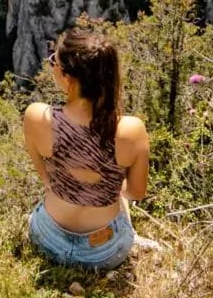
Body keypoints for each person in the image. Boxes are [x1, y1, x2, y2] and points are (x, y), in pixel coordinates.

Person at [23, 28, 149, 270]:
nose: (51, 66)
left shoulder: (37, 116)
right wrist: (104, 182)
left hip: (47, 240)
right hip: (103, 254)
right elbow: (136, 192)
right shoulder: (132, 130)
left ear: (68, 78)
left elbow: (46, 178)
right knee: (119, 199)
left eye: (54, 62)